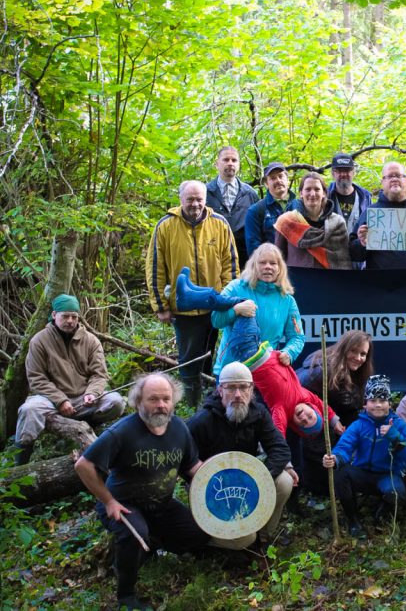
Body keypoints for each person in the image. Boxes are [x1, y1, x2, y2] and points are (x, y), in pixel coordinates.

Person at [73, 373, 221, 610]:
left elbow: (193, 467)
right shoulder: (122, 432)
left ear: (174, 401)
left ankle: (150, 546)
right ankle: (126, 594)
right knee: (135, 534)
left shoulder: (179, 429)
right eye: (153, 399)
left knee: (198, 533)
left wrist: (221, 478)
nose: (161, 405)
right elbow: (83, 465)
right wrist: (108, 501)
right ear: (138, 401)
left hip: (161, 504)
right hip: (123, 503)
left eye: (166, 399)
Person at [146, 178, 238, 407]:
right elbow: (155, 266)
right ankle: (190, 404)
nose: (195, 204)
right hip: (183, 309)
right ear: (181, 199)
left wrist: (229, 299)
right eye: (190, 199)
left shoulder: (220, 223)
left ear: (206, 200)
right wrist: (160, 305)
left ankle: (210, 402)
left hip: (215, 306)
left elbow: (231, 264)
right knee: (189, 359)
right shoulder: (166, 226)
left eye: (199, 199)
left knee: (214, 356)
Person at [186, 362, 295, 545]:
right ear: (220, 390)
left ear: (251, 389)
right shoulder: (201, 421)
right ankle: (205, 539)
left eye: (243, 387)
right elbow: (184, 460)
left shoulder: (258, 414)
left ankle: (264, 533)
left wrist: (260, 478)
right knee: (244, 540)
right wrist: (203, 478)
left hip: (247, 481)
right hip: (213, 487)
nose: (237, 395)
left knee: (284, 482)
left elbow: (280, 448)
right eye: (231, 388)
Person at [14, 294, 126, 465]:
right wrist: (60, 400)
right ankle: (20, 465)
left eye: (74, 316)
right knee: (28, 410)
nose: (70, 320)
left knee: (116, 402)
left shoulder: (91, 340)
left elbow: (99, 374)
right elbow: (37, 378)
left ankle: (87, 423)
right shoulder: (39, 341)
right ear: (54, 315)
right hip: (50, 400)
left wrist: (92, 393)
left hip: (84, 398)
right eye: (65, 316)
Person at [322, 375, 406, 538]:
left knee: (396, 493)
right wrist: (335, 458)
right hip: (362, 474)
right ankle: (353, 521)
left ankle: (384, 511)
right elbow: (344, 447)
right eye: (373, 400)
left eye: (382, 400)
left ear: (390, 404)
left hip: (387, 475)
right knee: (340, 474)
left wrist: (395, 436)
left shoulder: (398, 425)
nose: (378, 405)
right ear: (365, 403)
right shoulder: (359, 425)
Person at [211, 243, 304, 378]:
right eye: (262, 262)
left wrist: (289, 353)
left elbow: (297, 337)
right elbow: (216, 320)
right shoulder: (236, 287)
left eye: (273, 263)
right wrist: (236, 310)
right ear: (254, 265)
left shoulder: (287, 300)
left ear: (280, 268)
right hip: (231, 370)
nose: (268, 266)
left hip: (265, 371)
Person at [297, 330, 374, 427]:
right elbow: (349, 408)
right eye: (353, 351)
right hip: (303, 420)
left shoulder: (326, 357)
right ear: (343, 349)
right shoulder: (331, 372)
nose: (358, 358)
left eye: (363, 354)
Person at [275, 172, 352, 269]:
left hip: (329, 281)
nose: (312, 194)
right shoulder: (287, 221)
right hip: (295, 282)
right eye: (307, 189)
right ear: (301, 193)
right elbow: (278, 259)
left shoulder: (337, 222)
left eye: (317, 189)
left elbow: (343, 261)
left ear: (323, 193)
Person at [203, 146, 260, 269]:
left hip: (245, 258)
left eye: (234, 160)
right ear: (217, 164)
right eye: (226, 160)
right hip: (213, 256)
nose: (230, 163)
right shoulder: (204, 193)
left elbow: (257, 227)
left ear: (239, 164)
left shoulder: (250, 193)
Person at [245, 162, 295, 258]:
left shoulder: (300, 205)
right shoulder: (255, 211)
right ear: (266, 184)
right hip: (272, 267)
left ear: (287, 180)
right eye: (273, 178)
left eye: (281, 176)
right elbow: (254, 250)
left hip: (300, 267)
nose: (278, 180)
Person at [327, 152, 373, 236]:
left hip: (357, 246)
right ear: (333, 173)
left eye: (347, 170)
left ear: (353, 172)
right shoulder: (325, 196)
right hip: (332, 248)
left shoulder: (365, 197)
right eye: (339, 171)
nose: (343, 174)